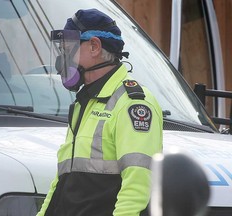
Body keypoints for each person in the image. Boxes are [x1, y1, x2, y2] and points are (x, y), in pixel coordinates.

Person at [37, 8, 163, 216]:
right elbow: (62, 183)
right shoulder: (84, 102)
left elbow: (138, 185)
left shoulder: (133, 104)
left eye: (68, 49)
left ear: (94, 46)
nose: (62, 61)